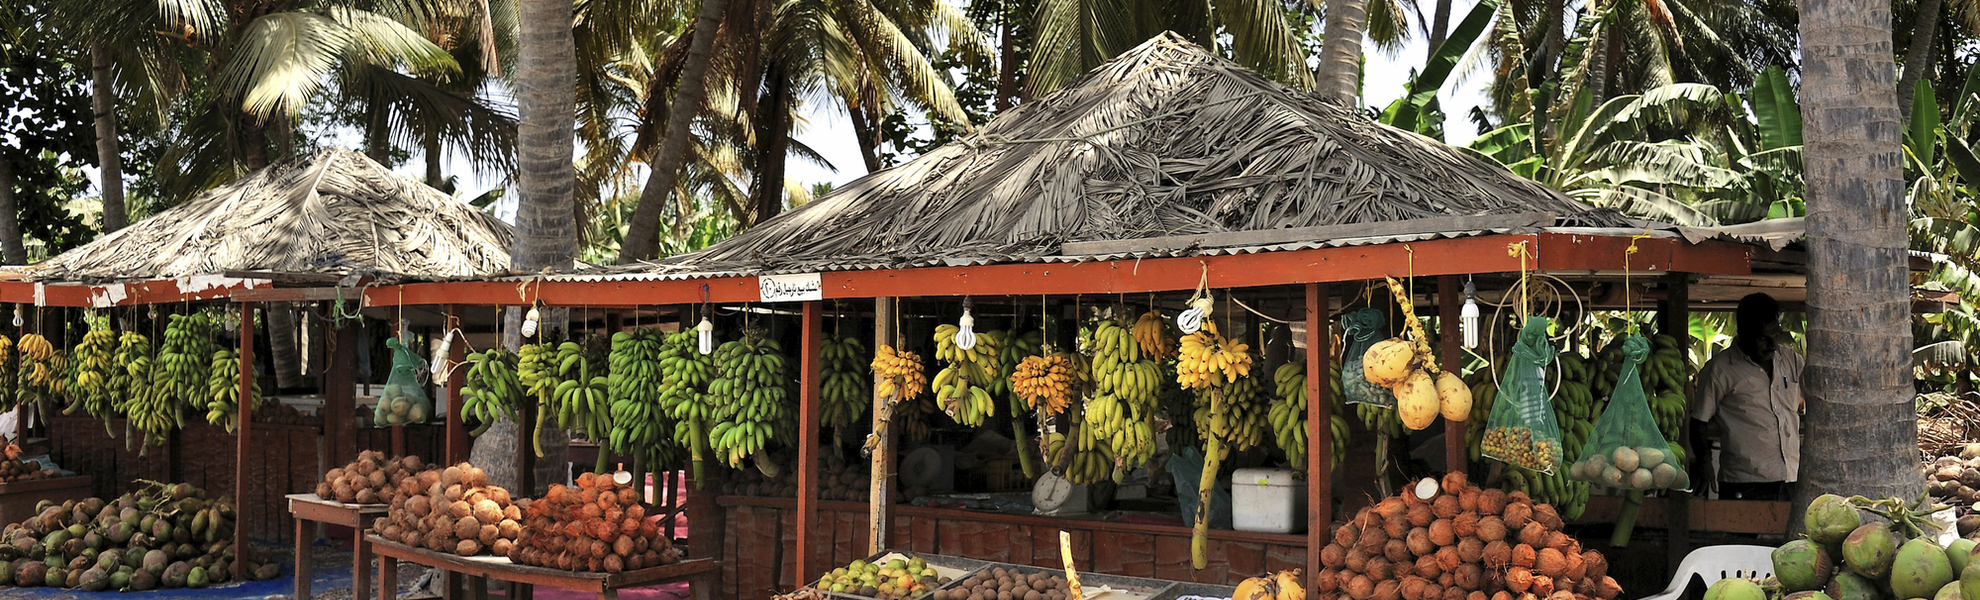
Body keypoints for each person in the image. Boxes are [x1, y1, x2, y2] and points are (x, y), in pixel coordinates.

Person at [1690, 293, 1804, 501]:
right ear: (1743, 333)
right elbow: (1698, 422)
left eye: (1776, 336)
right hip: (1745, 482)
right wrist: (1704, 464)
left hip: (1791, 478)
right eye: (1763, 338)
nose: (1772, 344)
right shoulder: (1720, 370)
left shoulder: (1790, 360)